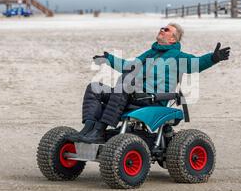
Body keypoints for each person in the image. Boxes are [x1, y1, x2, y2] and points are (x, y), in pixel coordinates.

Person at [72, 23, 230, 143]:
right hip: (133, 94)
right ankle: (88, 129)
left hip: (153, 98)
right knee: (94, 88)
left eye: (167, 30)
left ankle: (99, 131)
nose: (162, 30)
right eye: (162, 28)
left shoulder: (177, 56)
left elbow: (196, 63)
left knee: (126, 82)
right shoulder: (150, 53)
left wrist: (213, 58)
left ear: (173, 39)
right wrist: (110, 59)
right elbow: (129, 66)